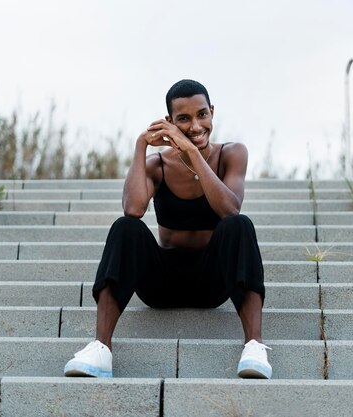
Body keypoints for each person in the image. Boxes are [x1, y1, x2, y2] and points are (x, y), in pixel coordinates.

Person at [64, 79, 272, 379]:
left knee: (240, 224)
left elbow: (230, 208)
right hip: (161, 284)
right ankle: (100, 349)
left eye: (202, 114)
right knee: (126, 228)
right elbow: (133, 209)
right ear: (169, 123)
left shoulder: (232, 153)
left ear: (212, 112)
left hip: (213, 281)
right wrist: (140, 145)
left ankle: (254, 345)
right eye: (183, 119)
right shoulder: (157, 164)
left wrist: (192, 153)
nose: (195, 125)